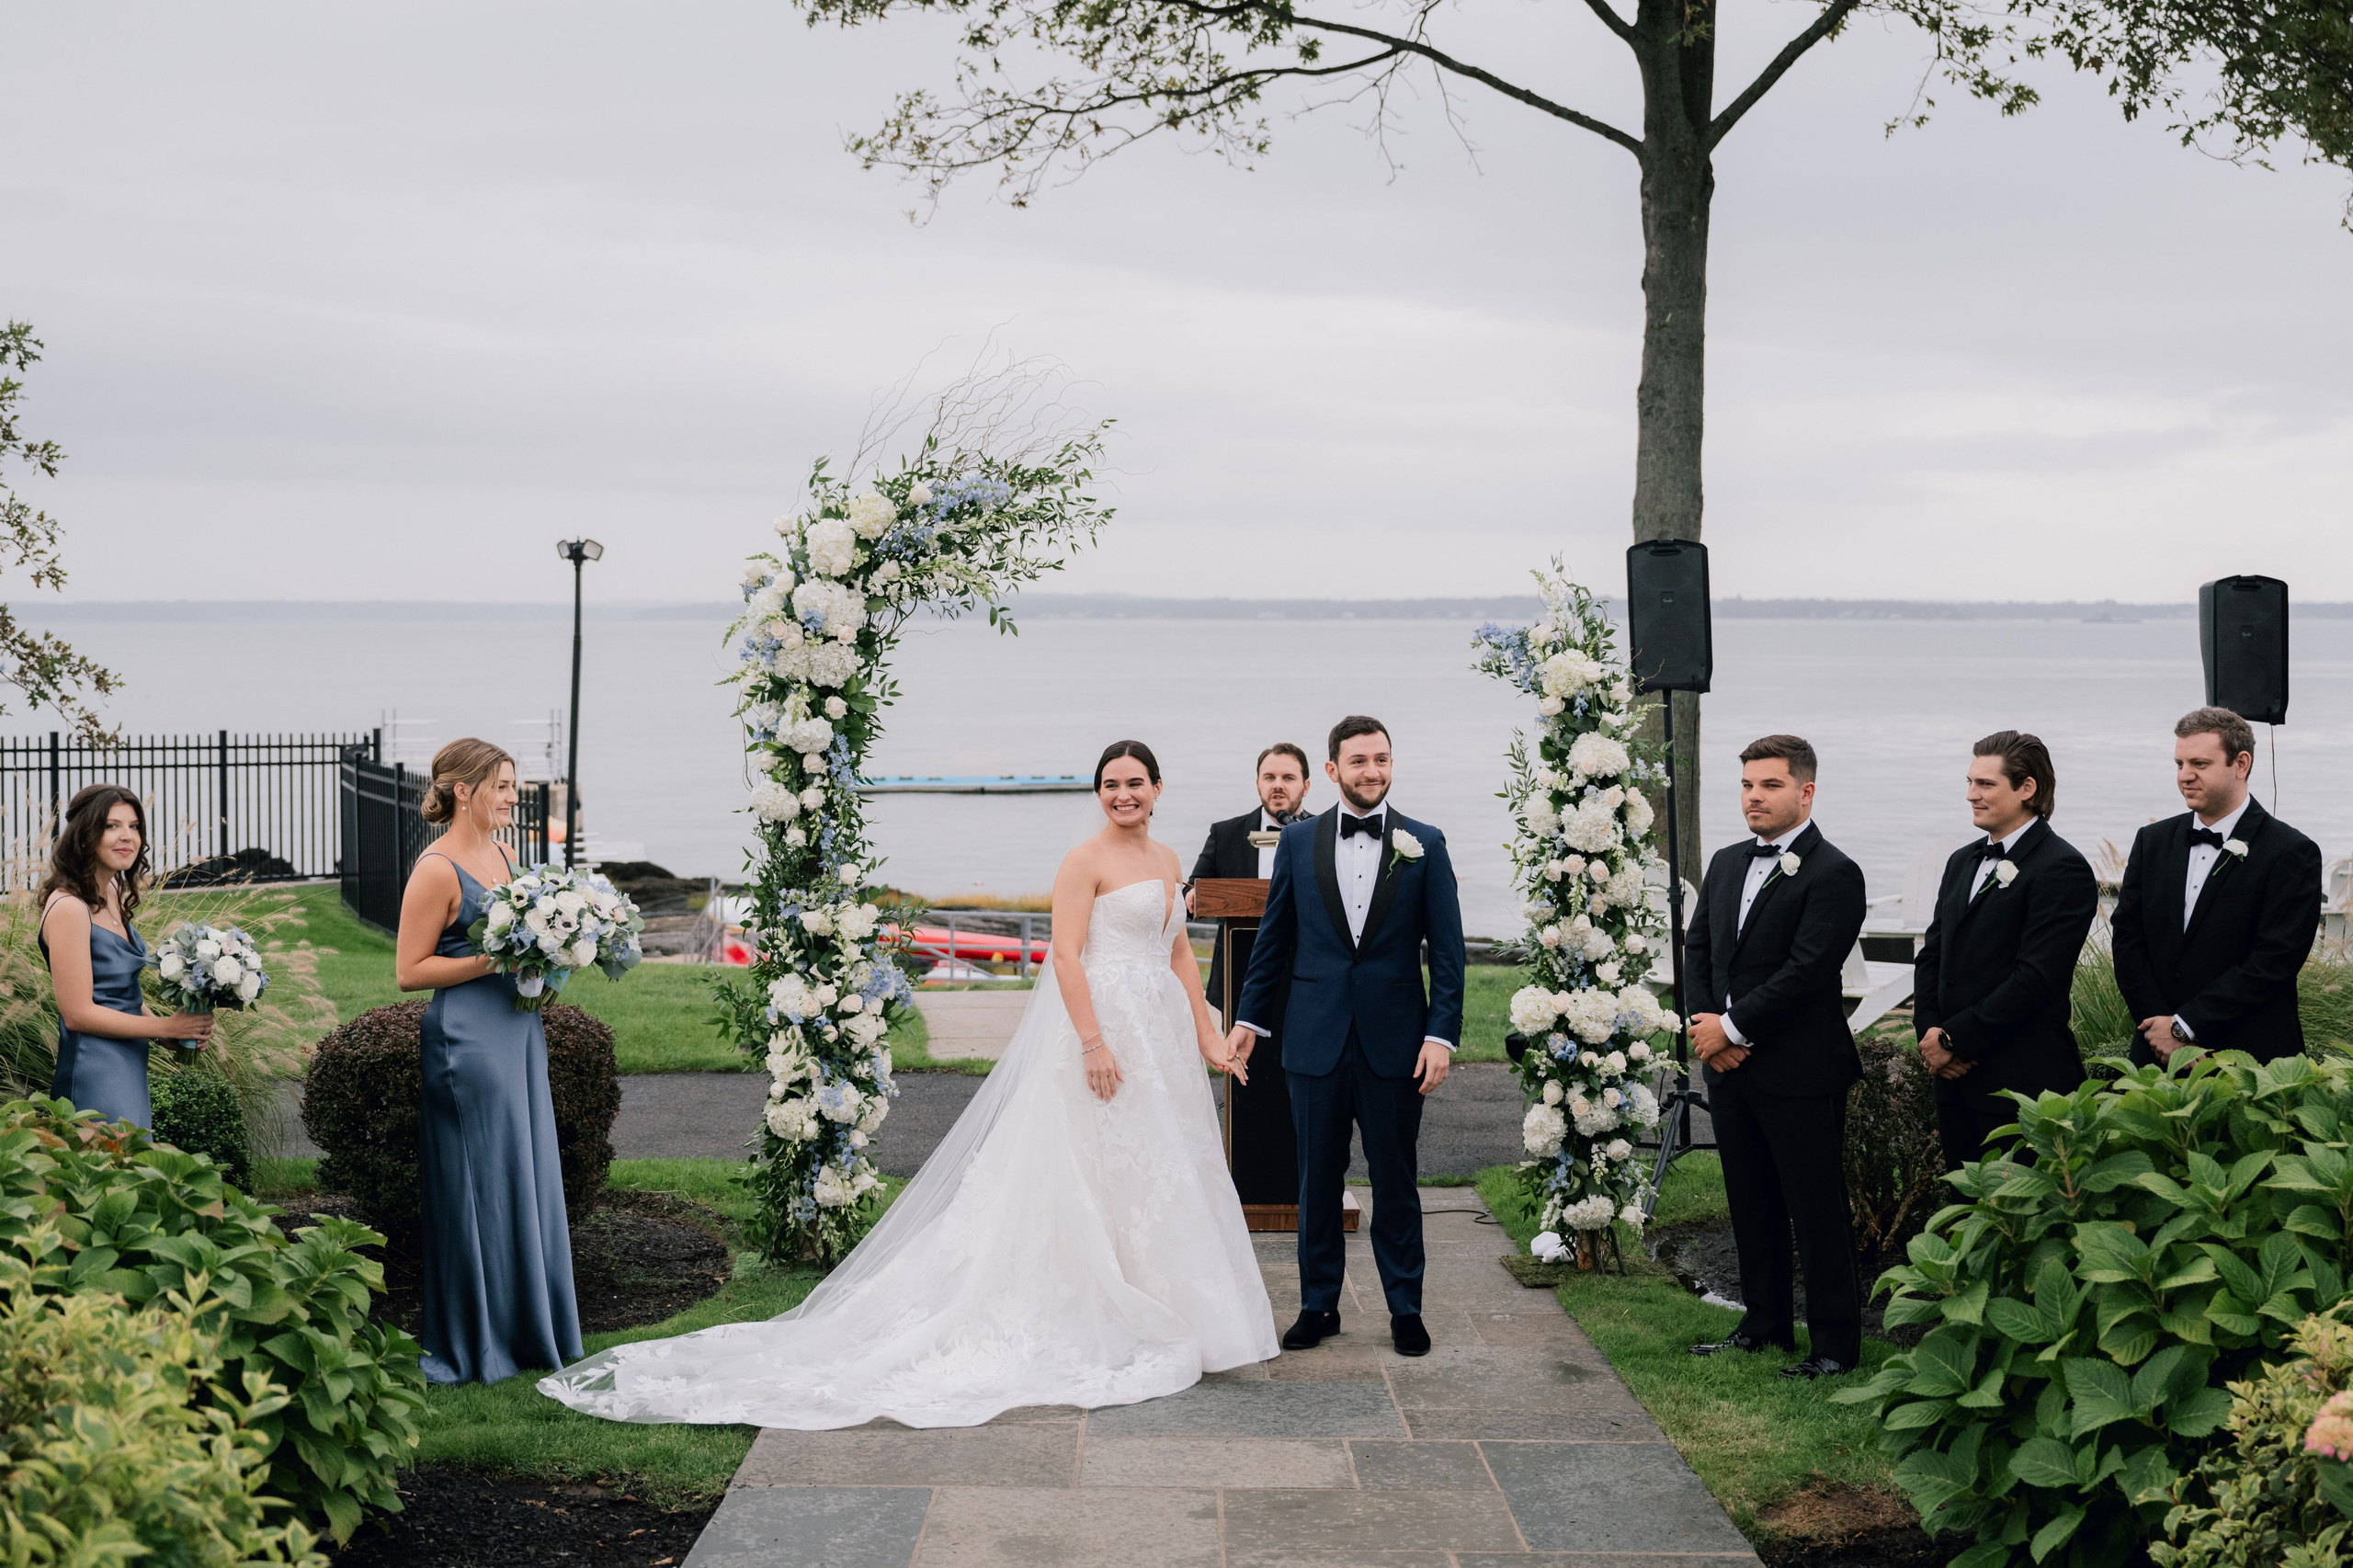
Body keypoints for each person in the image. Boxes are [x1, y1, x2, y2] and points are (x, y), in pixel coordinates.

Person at [539, 740, 1278, 1427]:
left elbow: (1179, 954)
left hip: (1157, 1039)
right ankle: (1103, 1307)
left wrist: (1210, 1032)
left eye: (1135, 784)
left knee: (1157, 1170)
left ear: (1156, 789)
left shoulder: (1169, 855)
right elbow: (1067, 960)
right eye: (1111, 785)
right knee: (1093, 1166)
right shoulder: (1083, 861)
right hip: (1105, 1032)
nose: (1124, 795)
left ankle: (1173, 1307)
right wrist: (1092, 1043)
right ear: (1098, 793)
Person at [1229, 716, 1466, 1359]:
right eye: (1358, 761)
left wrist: (1441, 1034)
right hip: (1313, 1039)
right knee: (1316, 1181)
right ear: (1332, 771)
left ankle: (1406, 1308)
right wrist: (1250, 1022)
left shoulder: (1426, 842)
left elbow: (1447, 953)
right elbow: (1274, 942)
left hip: (1396, 1041)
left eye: (1381, 759)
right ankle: (1318, 1304)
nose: (1372, 771)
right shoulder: (1299, 843)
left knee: (1395, 1179)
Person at [397, 738, 582, 1386]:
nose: (512, 797)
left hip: (517, 1033)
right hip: (467, 1042)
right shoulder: (436, 869)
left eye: (512, 785)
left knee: (521, 1177)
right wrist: (497, 958)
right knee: (481, 1186)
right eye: (502, 786)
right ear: (463, 792)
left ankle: (531, 1329)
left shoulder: (506, 853)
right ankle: (479, 1340)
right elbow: (409, 970)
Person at [1682, 734, 1867, 1381]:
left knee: (1815, 1211)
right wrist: (1706, 1027)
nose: (1753, 797)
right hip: (1731, 1067)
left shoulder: (1835, 873)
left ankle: (1835, 1347)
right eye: (1746, 786)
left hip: (1801, 1070)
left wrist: (1731, 1027)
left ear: (1805, 791)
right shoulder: (1728, 862)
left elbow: (1808, 972)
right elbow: (1699, 950)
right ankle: (1762, 1325)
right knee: (1750, 1201)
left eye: (1769, 785)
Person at [1912, 732, 2098, 1166]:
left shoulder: (2061, 867)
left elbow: (2036, 979)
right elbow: (1933, 954)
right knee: (1964, 1217)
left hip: (2023, 1086)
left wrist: (1956, 1040)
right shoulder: (1963, 860)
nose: (1971, 795)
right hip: (1954, 1080)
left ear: (2027, 788)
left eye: (1985, 785)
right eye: (1970, 782)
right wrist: (1931, 1034)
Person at [2112, 706, 2323, 1066]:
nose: (2185, 776)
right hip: (2154, 1054)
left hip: (2248, 1056)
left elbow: (2273, 961)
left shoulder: (2291, 852)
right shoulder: (2152, 840)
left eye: (2199, 764)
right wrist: (2159, 1030)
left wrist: (2185, 1027)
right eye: (2179, 764)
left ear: (2241, 764)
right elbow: (2128, 938)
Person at [40, 784, 212, 1128]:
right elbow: (77, 1014)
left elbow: (119, 992)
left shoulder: (113, 891)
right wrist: (164, 1024)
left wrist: (165, 1033)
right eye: (111, 826)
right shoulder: (69, 909)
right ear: (85, 834)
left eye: (134, 826)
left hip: (128, 1059)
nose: (128, 837)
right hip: (94, 1068)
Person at [1188, 740, 1313, 1010]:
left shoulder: (1325, 834)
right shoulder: (1226, 834)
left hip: (1306, 978)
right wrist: (1193, 895)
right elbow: (1190, 889)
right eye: (1269, 777)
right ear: (1258, 783)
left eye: (1288, 777)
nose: (1277, 785)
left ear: (1306, 785)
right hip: (1237, 976)